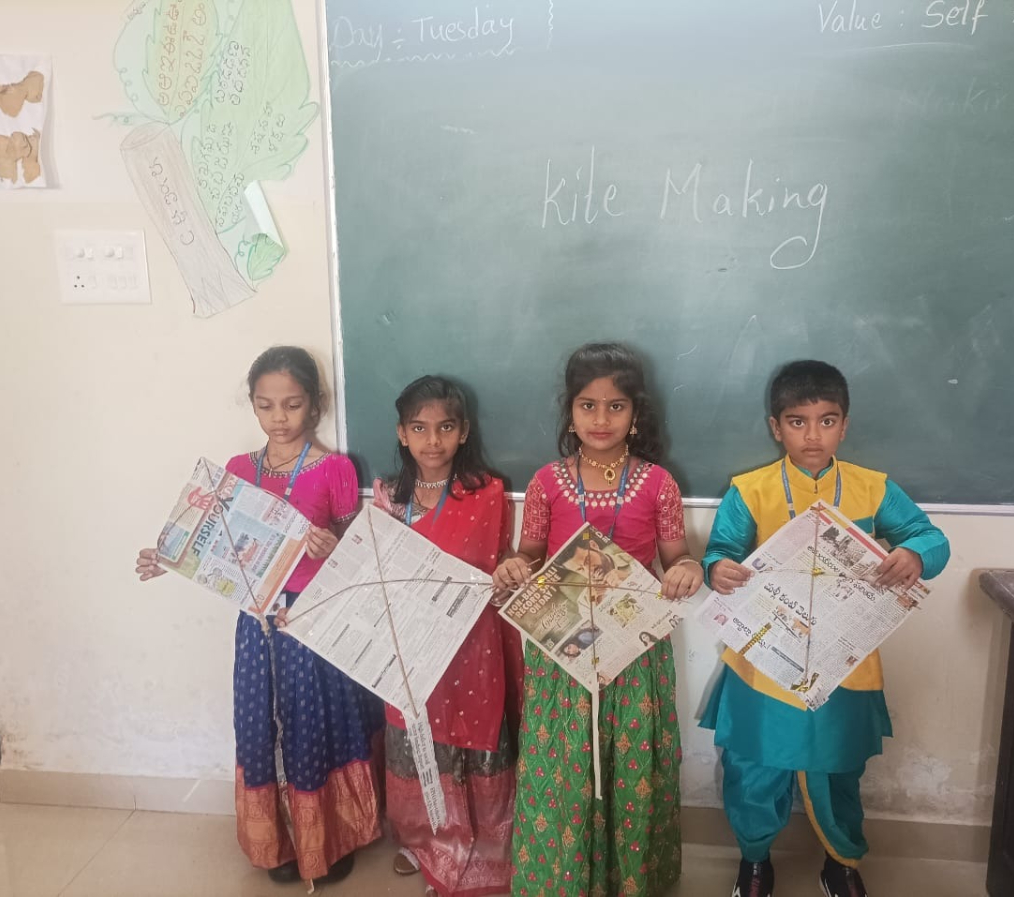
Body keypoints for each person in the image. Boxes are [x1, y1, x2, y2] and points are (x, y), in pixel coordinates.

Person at [700, 360, 951, 897]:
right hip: (764, 663)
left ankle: (841, 862)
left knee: (840, 769)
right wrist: (717, 569)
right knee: (754, 768)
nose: (812, 435)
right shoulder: (751, 490)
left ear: (845, 425)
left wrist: (914, 554)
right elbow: (720, 552)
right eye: (797, 422)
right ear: (776, 427)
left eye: (827, 421)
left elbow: (930, 537)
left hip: (845, 662)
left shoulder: (872, 487)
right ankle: (754, 861)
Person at [134, 346, 383, 886]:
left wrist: (332, 546)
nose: (279, 417)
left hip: (312, 621)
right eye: (266, 405)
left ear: (314, 405)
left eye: (292, 404)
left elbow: (357, 552)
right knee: (259, 724)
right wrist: (167, 558)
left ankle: (330, 841)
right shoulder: (238, 470)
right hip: (257, 622)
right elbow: (218, 548)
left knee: (316, 726)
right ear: (252, 405)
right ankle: (282, 844)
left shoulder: (336, 469)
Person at [493, 342, 703, 897]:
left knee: (630, 763)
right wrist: (514, 566)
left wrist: (688, 570)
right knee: (566, 762)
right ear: (570, 411)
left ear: (636, 413)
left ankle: (629, 879)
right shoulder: (546, 482)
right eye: (588, 405)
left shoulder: (657, 483)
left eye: (616, 406)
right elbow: (530, 554)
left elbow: (676, 556)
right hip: (561, 645)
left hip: (633, 647)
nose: (601, 418)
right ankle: (564, 879)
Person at [372, 375, 519, 897]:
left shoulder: (488, 493)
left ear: (464, 431)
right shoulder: (387, 497)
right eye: (419, 428)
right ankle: (424, 842)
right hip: (410, 645)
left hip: (472, 642)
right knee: (418, 742)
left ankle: (483, 844)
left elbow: (501, 564)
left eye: (445, 428)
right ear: (401, 433)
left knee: (470, 737)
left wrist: (506, 577)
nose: (433, 440)